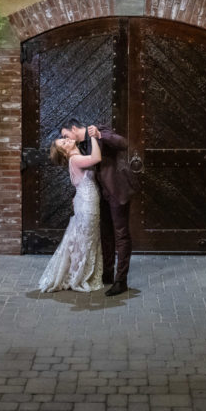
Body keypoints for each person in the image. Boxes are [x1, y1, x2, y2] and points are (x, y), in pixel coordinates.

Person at [60, 119, 133, 296]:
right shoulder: (81, 146)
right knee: (106, 235)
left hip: (116, 191)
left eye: (65, 135)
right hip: (100, 197)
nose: (65, 139)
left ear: (74, 128)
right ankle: (107, 274)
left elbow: (123, 144)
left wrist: (100, 135)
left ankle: (120, 281)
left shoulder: (99, 130)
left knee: (121, 235)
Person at [38, 134, 104, 293]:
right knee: (85, 240)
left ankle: (81, 274)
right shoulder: (75, 159)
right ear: (65, 153)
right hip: (87, 204)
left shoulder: (76, 157)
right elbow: (96, 158)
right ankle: (77, 277)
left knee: (86, 238)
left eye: (65, 139)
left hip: (86, 201)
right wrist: (94, 136)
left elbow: (79, 182)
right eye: (64, 143)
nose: (67, 140)